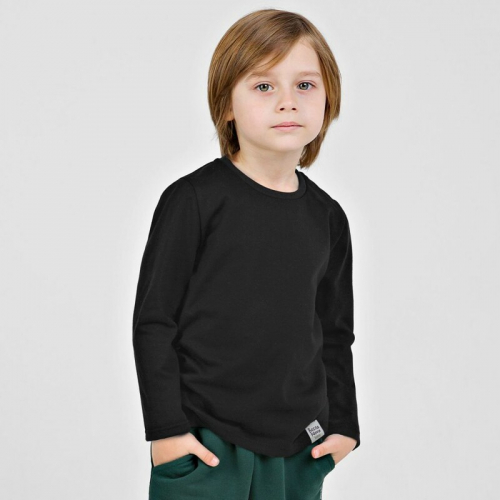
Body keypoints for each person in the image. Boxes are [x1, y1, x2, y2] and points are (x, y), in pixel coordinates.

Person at [133, 8, 361, 500]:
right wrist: (167, 431)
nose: (287, 101)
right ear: (227, 106)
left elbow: (334, 332)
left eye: (305, 85)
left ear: (328, 100)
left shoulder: (328, 217)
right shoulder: (193, 201)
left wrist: (344, 425)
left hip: (300, 448)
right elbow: (154, 321)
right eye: (263, 86)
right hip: (207, 444)